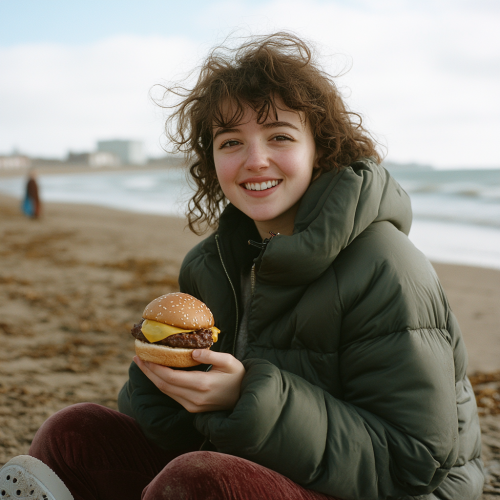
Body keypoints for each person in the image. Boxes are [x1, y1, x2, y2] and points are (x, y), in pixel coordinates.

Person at [0, 33, 484, 500]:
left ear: (322, 149)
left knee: (201, 480)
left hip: (399, 490)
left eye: (279, 136)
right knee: (73, 431)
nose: (255, 160)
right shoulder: (210, 265)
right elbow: (177, 431)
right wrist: (164, 386)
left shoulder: (386, 265)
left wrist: (244, 396)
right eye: (231, 142)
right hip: (256, 461)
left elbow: (415, 457)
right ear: (211, 161)